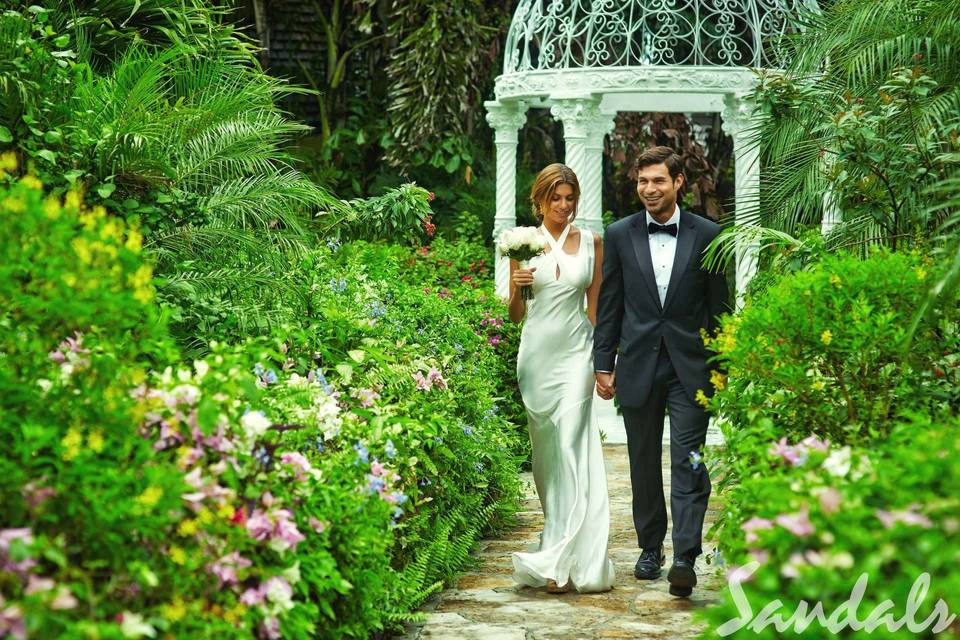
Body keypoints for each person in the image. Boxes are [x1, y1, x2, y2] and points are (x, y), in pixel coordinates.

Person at [593, 146, 730, 598]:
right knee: (643, 463)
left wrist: (722, 368)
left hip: (692, 369)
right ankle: (650, 548)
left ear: (678, 184)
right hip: (637, 365)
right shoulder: (618, 234)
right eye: (642, 181)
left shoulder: (709, 234)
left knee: (689, 463)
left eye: (657, 181)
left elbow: (720, 310)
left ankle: (685, 557)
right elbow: (609, 305)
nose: (648, 190)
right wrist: (603, 364)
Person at [509, 163, 615, 594]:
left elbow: (596, 310)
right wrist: (516, 287)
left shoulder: (591, 242)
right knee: (547, 459)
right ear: (540, 200)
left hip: (577, 355)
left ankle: (564, 561)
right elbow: (516, 315)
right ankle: (555, 540)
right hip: (536, 359)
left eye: (570, 198)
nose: (565, 206)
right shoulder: (522, 243)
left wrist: (604, 362)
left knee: (572, 446)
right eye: (556, 198)